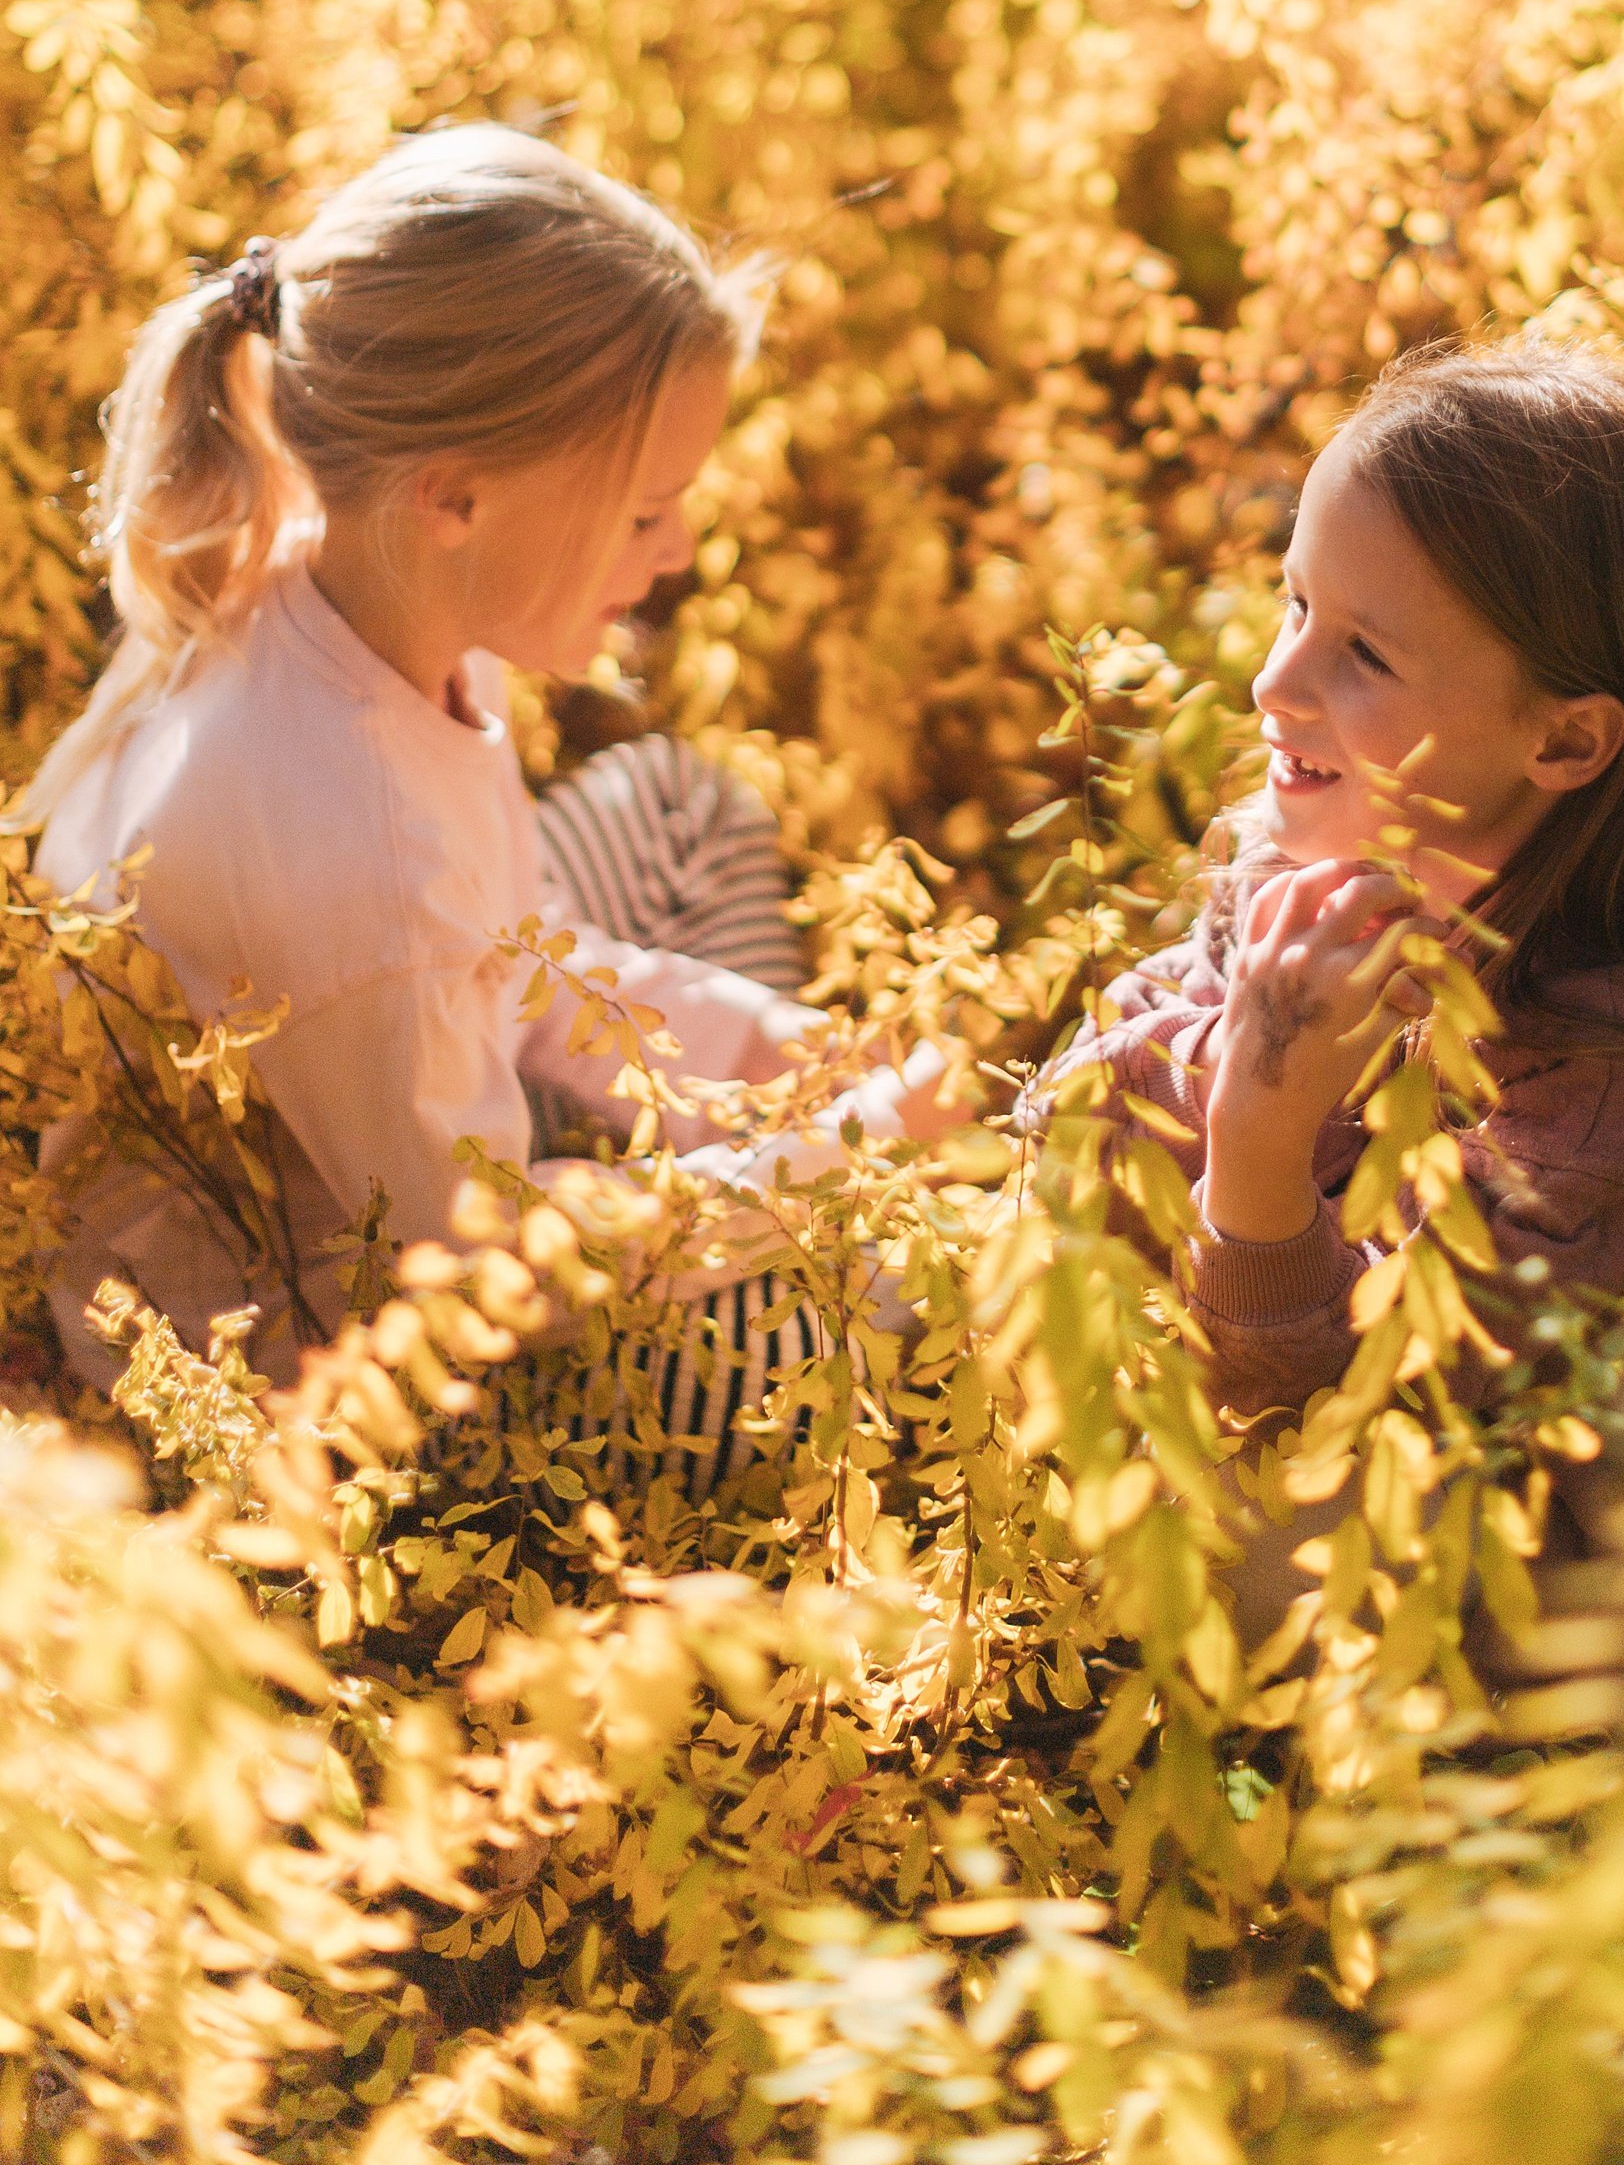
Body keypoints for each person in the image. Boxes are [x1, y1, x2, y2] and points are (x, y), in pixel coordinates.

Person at [25, 123, 940, 1470]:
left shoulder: (352, 582)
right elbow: (487, 1272)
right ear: (453, 499)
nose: (680, 549)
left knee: (679, 804)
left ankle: (716, 1135)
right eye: (644, 513)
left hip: (398, 1100)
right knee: (861, 1319)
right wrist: (849, 1150)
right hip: (340, 1375)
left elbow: (504, 949)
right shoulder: (352, 851)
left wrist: (764, 1053)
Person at [1023, 335, 1624, 1427]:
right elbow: (1059, 1132)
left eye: (1363, 655)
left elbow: (1352, 1416)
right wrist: (1243, 1057)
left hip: (1519, 1565)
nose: (1272, 681)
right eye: (1293, 606)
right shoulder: (1300, 869)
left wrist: (1258, 1137)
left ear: (1565, 742)